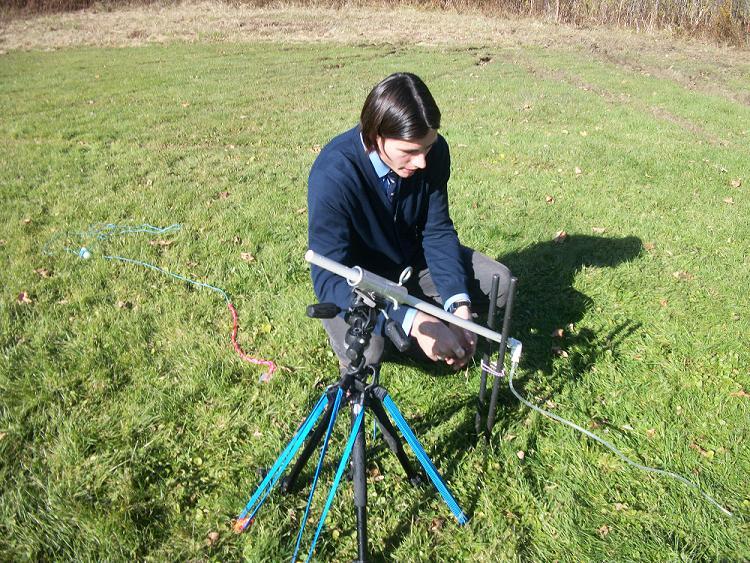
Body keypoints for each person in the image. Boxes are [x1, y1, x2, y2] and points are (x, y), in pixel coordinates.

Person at [308, 72, 511, 370]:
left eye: (427, 147)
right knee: (368, 350)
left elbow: (437, 230)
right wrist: (414, 321)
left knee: (501, 285)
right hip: (359, 280)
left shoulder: (435, 153)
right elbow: (328, 277)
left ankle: (419, 320)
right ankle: (397, 327)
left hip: (412, 267)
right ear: (376, 136)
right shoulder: (334, 174)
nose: (422, 162)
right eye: (410, 151)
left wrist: (459, 306)